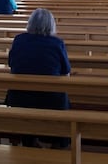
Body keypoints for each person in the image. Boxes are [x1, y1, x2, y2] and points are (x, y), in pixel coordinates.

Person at [6, 8, 71, 148]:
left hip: (19, 97)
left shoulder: (18, 40)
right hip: (50, 99)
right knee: (62, 92)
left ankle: (28, 141)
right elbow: (66, 72)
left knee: (28, 99)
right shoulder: (56, 43)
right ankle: (59, 143)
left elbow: (11, 64)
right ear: (51, 25)